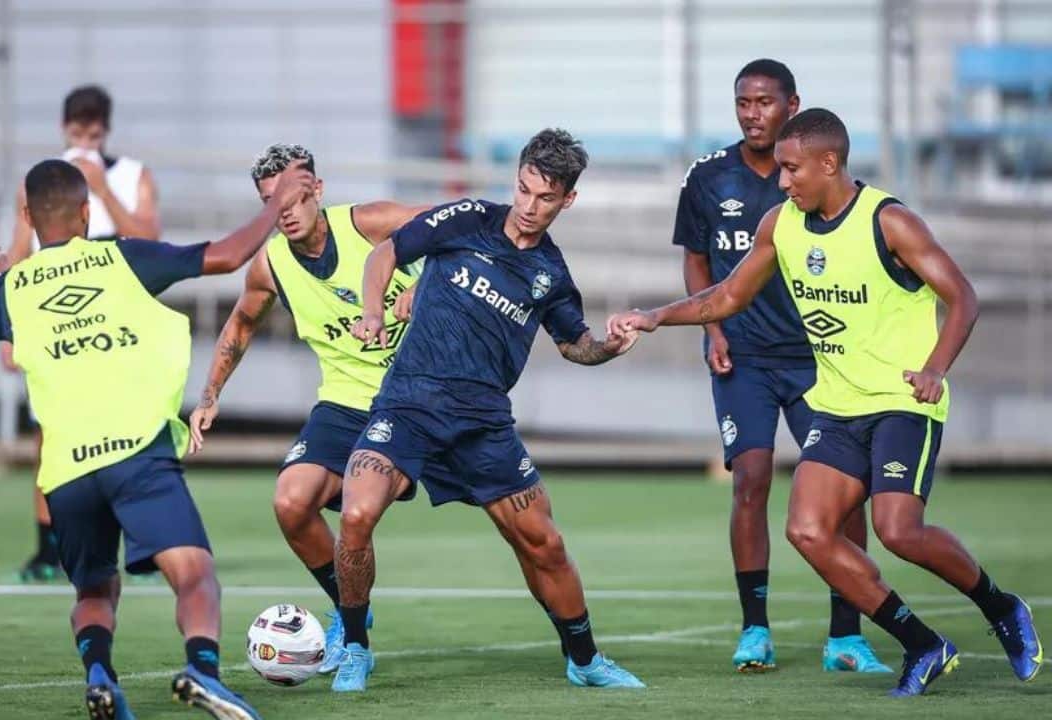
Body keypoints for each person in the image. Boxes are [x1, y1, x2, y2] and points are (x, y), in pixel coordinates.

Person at [609, 108, 1042, 697]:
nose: (783, 182)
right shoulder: (780, 224)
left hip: (901, 401)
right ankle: (922, 642)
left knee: (897, 530)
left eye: (791, 171)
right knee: (808, 531)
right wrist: (655, 316)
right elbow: (730, 293)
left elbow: (962, 297)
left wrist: (937, 368)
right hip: (837, 404)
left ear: (829, 163)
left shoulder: (889, 222)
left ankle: (1001, 607)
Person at [0, 157, 312, 719]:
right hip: (136, 452)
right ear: (86, 211)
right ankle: (204, 671)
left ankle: (100, 676)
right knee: (194, 575)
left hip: (66, 471)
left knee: (94, 592)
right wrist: (277, 201)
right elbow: (226, 255)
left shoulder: (13, 288)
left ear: (27, 216)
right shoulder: (120, 257)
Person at [330, 128, 645, 693]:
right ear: (516, 179)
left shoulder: (552, 274)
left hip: (483, 422)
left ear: (567, 200)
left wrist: (610, 346)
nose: (529, 206)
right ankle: (354, 646)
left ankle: (586, 659)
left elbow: (575, 344)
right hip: (410, 403)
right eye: (524, 189)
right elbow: (386, 252)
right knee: (355, 516)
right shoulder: (467, 219)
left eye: (545, 197)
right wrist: (374, 311)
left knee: (543, 543)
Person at [672, 59, 885, 672]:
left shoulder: (814, 175)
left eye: (764, 101)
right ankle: (755, 629)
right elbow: (696, 259)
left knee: (845, 496)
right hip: (744, 359)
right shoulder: (708, 177)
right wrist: (711, 327)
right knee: (751, 478)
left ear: (793, 105)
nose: (752, 113)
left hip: (820, 361)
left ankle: (846, 635)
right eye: (743, 102)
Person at [189, 143, 425, 672]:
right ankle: (350, 617)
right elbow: (242, 323)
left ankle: (580, 648)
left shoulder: (371, 223)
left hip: (413, 399)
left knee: (522, 523)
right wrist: (210, 394)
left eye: (292, 197)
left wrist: (426, 284)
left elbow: (457, 228)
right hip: (341, 403)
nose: (284, 212)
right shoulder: (270, 263)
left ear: (317, 190)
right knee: (291, 502)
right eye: (270, 203)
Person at [6, 85, 163, 582]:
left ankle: (145, 545)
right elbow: (18, 256)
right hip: (56, 324)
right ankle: (48, 549)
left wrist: (103, 188)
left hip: (117, 326)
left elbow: (151, 242)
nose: (85, 140)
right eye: (77, 132)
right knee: (50, 436)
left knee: (132, 433)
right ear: (63, 130)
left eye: (93, 133)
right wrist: (10, 333)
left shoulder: (132, 175)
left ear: (106, 132)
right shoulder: (41, 183)